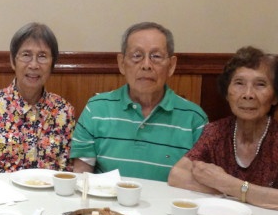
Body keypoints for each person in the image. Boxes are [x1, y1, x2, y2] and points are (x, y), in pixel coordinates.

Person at [168, 47, 278, 215]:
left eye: (260, 84)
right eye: (239, 83)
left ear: (275, 97)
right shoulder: (215, 131)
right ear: (227, 93)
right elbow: (177, 175)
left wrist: (226, 183)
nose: (248, 94)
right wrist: (247, 194)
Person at [70, 22, 207, 181]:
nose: (146, 65)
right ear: (122, 63)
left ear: (171, 65)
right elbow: (82, 176)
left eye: (156, 56)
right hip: (107, 198)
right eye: (137, 56)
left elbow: (201, 182)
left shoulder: (194, 119)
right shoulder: (96, 110)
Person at [0, 23, 75, 172]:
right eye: (26, 55)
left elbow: (65, 172)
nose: (34, 65)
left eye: (42, 56)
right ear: (12, 61)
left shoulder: (64, 111)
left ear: (52, 64)